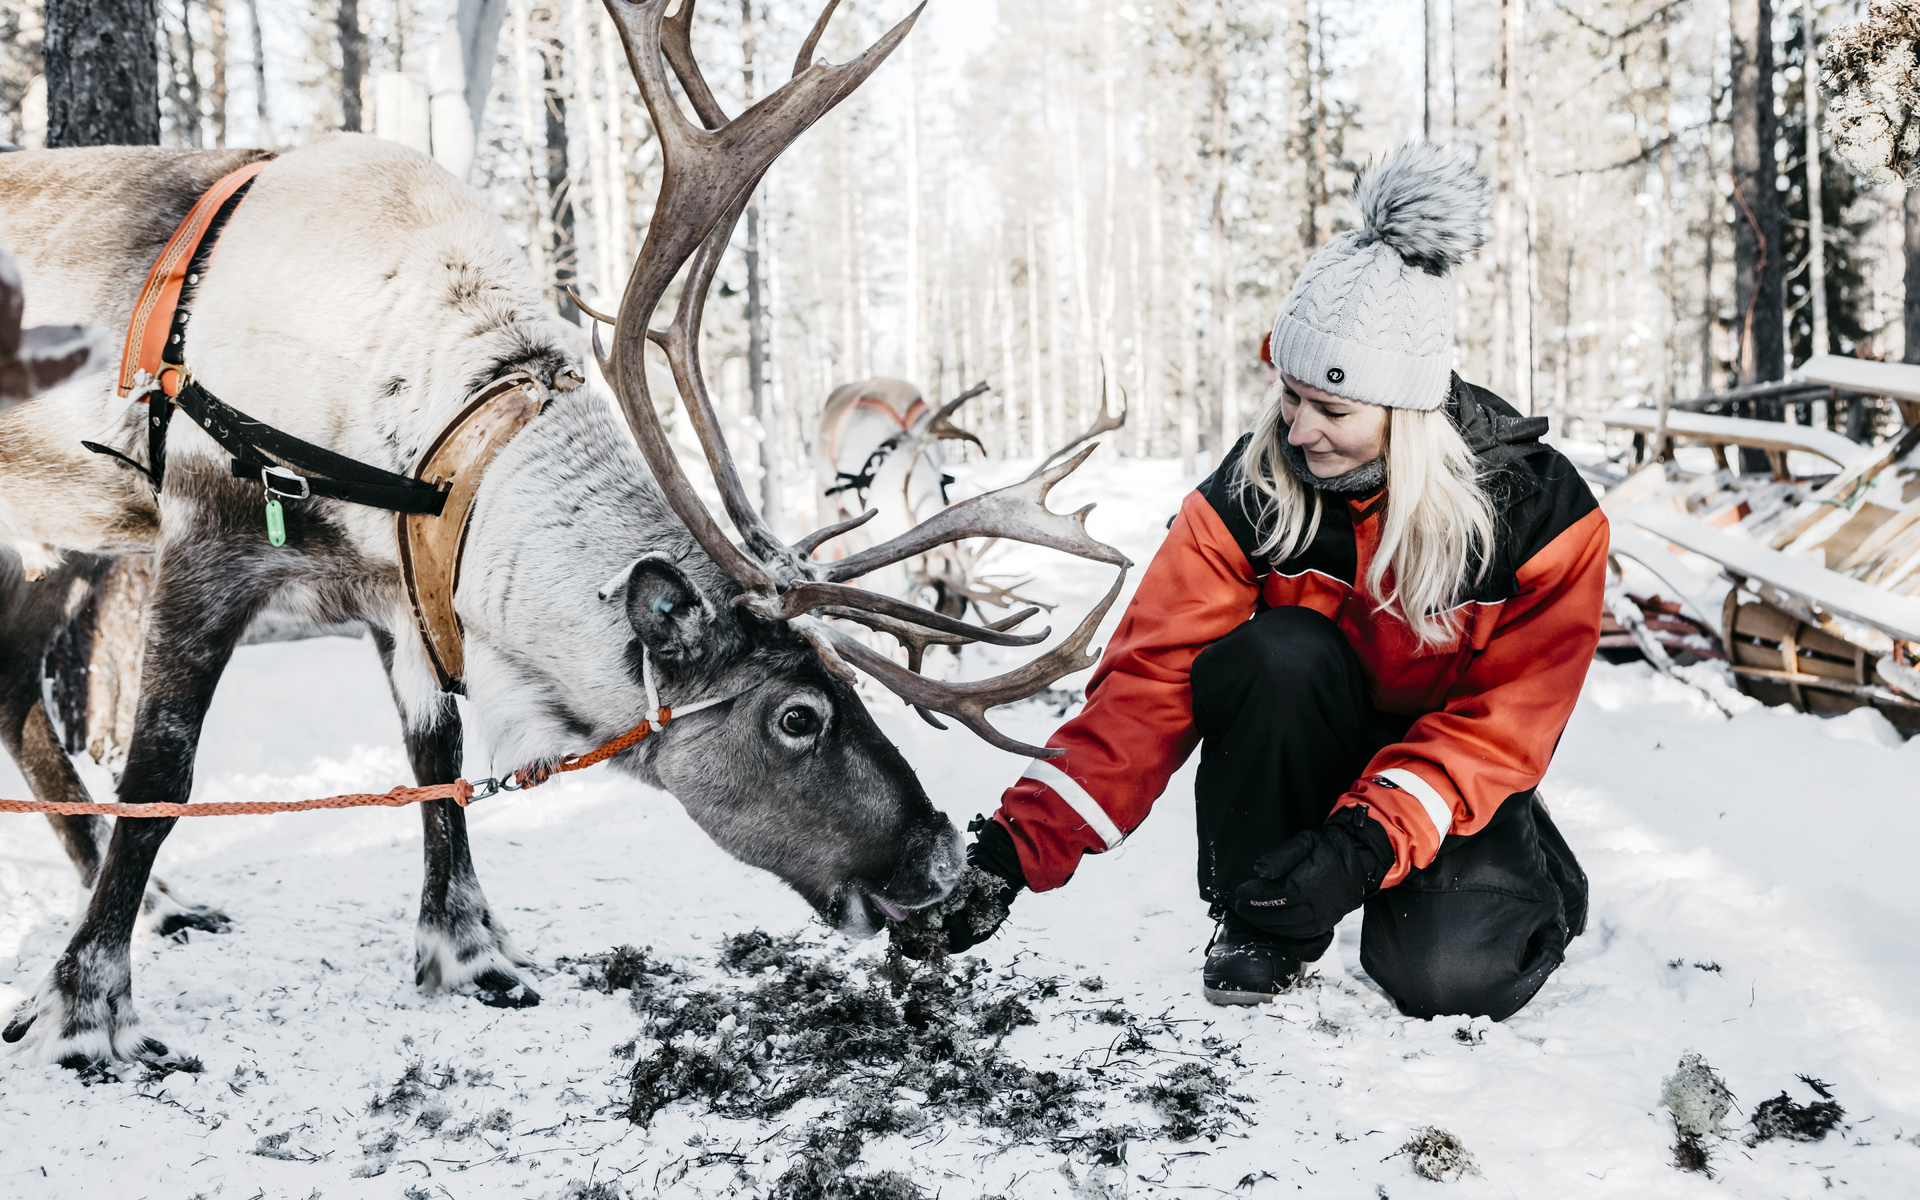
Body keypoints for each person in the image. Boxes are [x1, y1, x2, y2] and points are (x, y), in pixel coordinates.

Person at [936, 143, 1606, 1022]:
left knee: (1447, 983)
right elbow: (1150, 683)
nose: (1299, 431)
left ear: (1409, 413)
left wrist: (1365, 843)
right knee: (1275, 654)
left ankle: (1517, 874)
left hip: (1444, 771)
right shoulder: (1253, 489)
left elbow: (1505, 722)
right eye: (1289, 396)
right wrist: (1013, 853)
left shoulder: (1541, 512)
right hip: (1306, 735)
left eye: (1333, 409)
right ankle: (1262, 925)